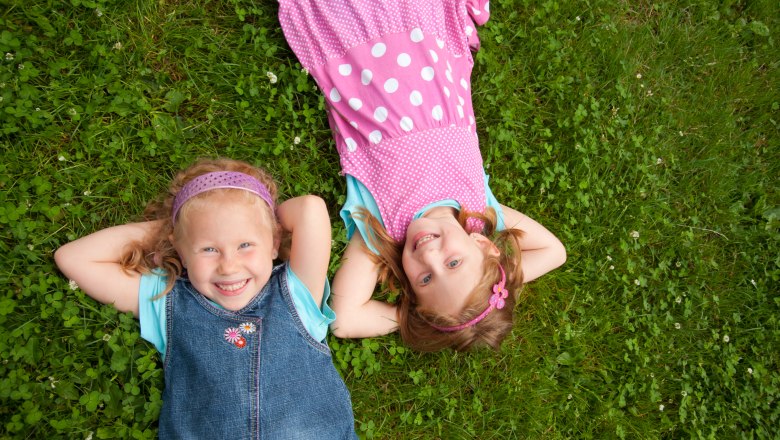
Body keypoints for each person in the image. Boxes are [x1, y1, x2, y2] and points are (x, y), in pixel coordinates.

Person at [278, 0, 567, 352]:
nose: (429, 256)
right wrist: (496, 283)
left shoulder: (382, 228)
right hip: (427, 35)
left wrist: (411, 318)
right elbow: (555, 252)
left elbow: (344, 319)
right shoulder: (479, 210)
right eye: (454, 262)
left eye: (426, 279)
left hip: (359, 43)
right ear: (483, 245)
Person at [54, 158, 358, 439]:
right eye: (208, 249)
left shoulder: (296, 293)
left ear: (275, 244)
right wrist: (175, 229)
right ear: (182, 252)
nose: (228, 266)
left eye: (245, 244)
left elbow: (310, 209)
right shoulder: (167, 303)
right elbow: (74, 258)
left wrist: (250, 212)